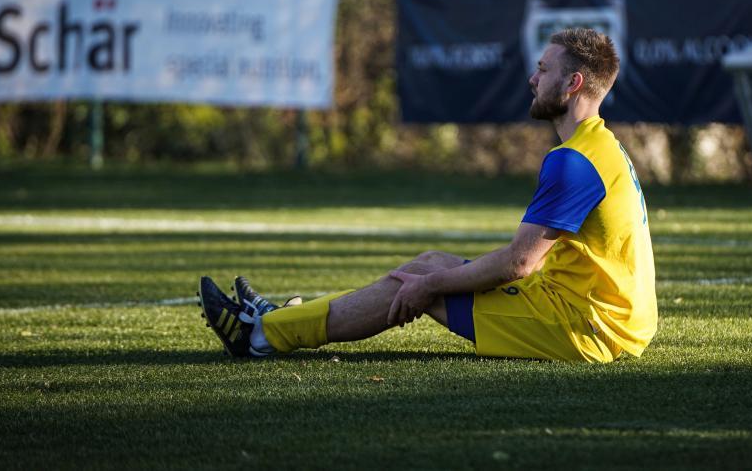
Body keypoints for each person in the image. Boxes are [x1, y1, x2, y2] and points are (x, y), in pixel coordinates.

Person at [198, 27, 656, 363]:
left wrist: (431, 286)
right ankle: (276, 321)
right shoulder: (602, 145)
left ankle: (260, 335)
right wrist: (434, 275)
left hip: (588, 328)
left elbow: (520, 262)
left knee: (417, 283)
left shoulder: (573, 160)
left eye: (543, 70)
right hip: (610, 318)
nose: (533, 80)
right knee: (428, 263)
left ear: (573, 83)